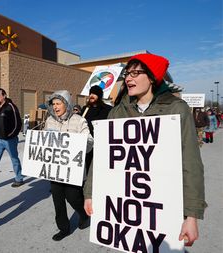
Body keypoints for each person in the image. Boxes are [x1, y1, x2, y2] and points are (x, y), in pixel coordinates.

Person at [83, 53, 207, 247]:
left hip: (163, 206)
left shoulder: (176, 109)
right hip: (127, 206)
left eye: (135, 73)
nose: (128, 78)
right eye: (127, 73)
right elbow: (101, 158)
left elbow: (190, 163)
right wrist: (90, 193)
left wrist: (192, 215)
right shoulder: (117, 113)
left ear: (151, 77)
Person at [45, 90, 94, 241]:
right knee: (57, 200)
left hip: (73, 169)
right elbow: (45, 141)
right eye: (53, 104)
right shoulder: (49, 121)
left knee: (73, 197)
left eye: (58, 103)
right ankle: (64, 228)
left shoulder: (79, 120)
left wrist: (79, 143)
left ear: (66, 104)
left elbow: (90, 142)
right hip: (55, 169)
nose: (55, 107)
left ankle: (84, 215)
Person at [81, 85, 112, 175]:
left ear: (99, 96)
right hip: (87, 146)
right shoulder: (85, 109)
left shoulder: (107, 109)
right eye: (90, 93)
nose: (91, 95)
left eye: (94, 94)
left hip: (101, 147)